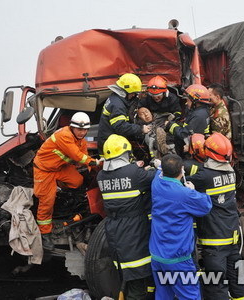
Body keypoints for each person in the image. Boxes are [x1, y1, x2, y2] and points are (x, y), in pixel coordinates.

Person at [186, 132, 244, 300]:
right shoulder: (230, 173)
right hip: (232, 235)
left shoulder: (204, 176)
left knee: (216, 286)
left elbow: (180, 182)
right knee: (238, 280)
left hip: (215, 241)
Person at [97, 134, 156, 299]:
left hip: (113, 228)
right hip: (133, 228)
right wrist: (156, 167)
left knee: (126, 274)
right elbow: (155, 177)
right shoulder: (134, 173)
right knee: (139, 274)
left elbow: (123, 177)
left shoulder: (101, 176)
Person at [150, 154, 212, 300]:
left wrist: (159, 165)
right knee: (190, 296)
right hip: (178, 259)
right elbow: (206, 206)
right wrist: (192, 190)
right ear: (182, 170)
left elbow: (159, 171)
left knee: (164, 296)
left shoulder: (156, 184)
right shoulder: (184, 194)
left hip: (157, 256)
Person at [33, 112, 97, 250]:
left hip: (60, 167)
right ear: (72, 127)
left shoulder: (81, 140)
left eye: (85, 129)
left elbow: (84, 157)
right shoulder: (64, 136)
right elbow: (78, 156)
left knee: (77, 181)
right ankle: (45, 234)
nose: (82, 132)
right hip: (44, 171)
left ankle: (59, 190)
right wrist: (96, 163)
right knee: (47, 202)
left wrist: (90, 169)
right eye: (79, 129)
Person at [97, 73, 151, 156]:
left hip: (111, 141)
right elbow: (121, 127)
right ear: (124, 91)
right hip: (111, 146)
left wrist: (138, 97)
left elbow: (129, 104)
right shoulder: (117, 105)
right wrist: (141, 129)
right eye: (133, 93)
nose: (133, 95)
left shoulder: (116, 98)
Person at [165, 84, 211, 154]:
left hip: (192, 150)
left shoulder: (199, 116)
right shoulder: (198, 111)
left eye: (188, 100)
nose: (186, 103)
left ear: (195, 101)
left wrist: (170, 125)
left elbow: (185, 135)